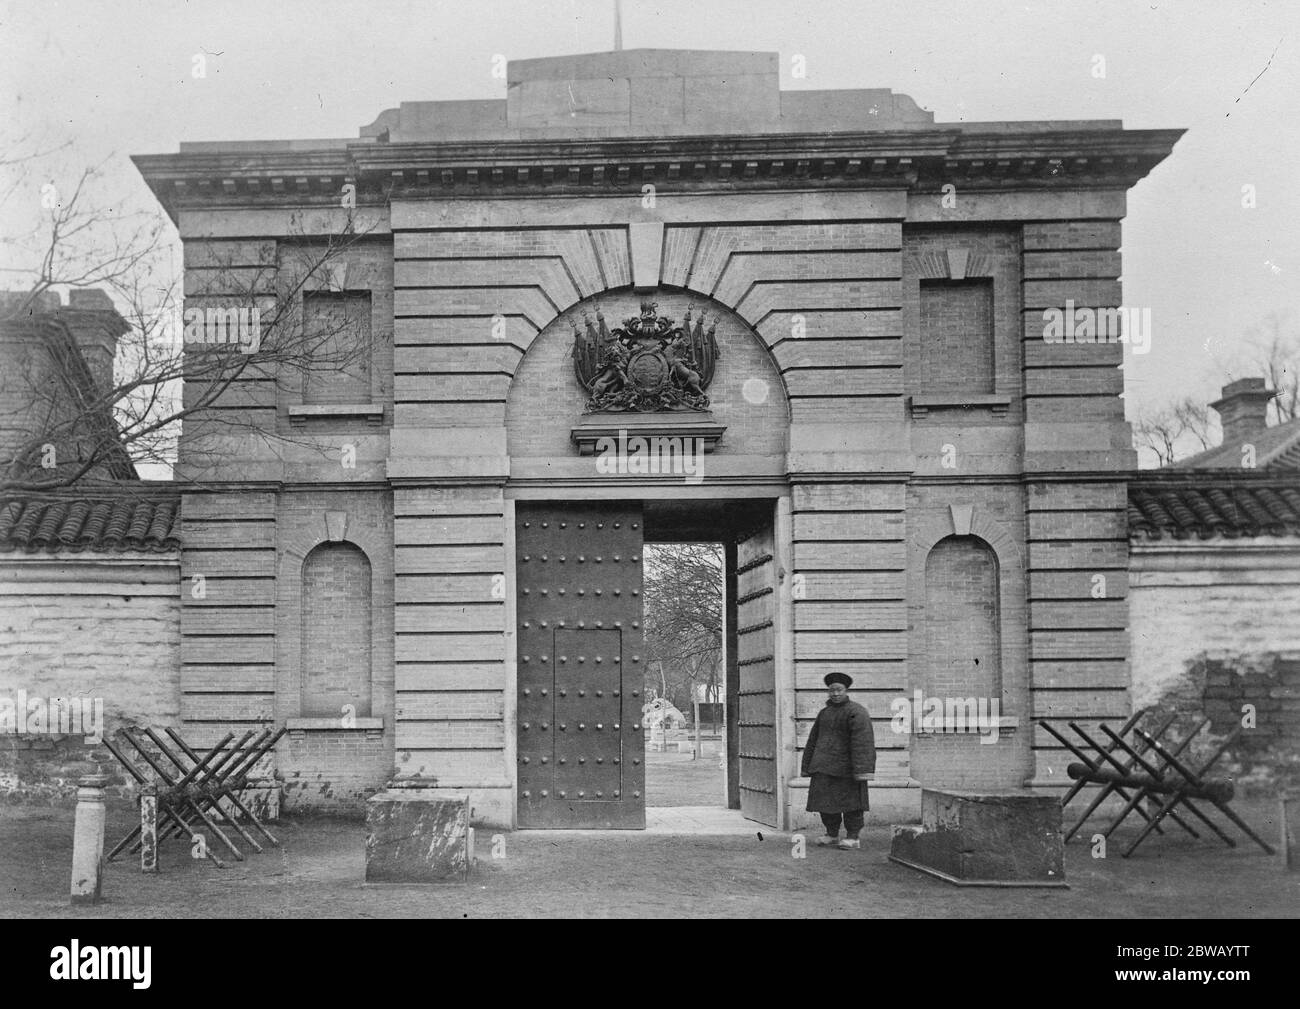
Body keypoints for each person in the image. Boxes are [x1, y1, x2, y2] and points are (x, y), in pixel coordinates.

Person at [801, 671, 875, 850]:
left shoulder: (856, 712)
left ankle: (853, 837)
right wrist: (808, 765)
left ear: (846, 690)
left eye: (839, 690)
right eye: (831, 690)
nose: (835, 694)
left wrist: (862, 769)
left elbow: (863, 742)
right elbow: (813, 739)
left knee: (852, 805)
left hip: (847, 770)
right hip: (824, 769)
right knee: (825, 805)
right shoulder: (824, 713)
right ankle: (831, 834)